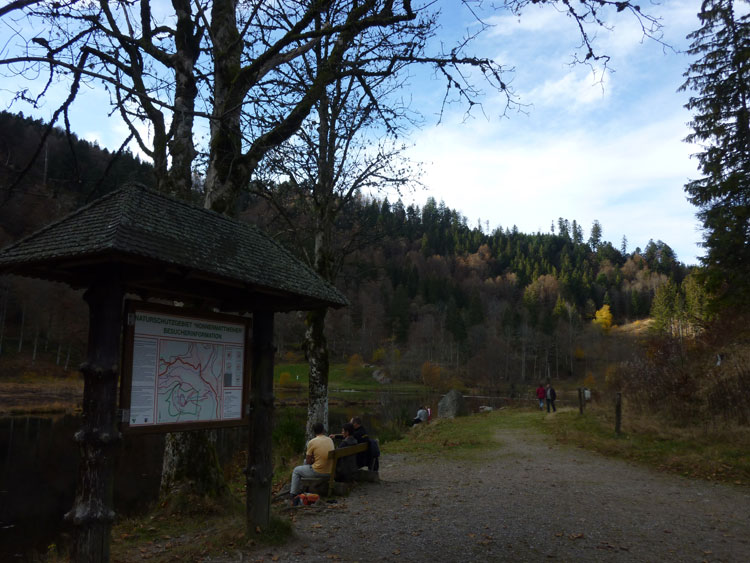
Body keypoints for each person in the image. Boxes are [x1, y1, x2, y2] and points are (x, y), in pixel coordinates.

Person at [289, 422, 334, 499]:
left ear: (314, 431)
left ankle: (293, 494)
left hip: (319, 472)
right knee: (304, 463)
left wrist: (313, 459)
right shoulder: (330, 440)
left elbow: (308, 462)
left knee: (296, 470)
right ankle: (304, 488)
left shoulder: (312, 442)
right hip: (330, 472)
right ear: (323, 430)